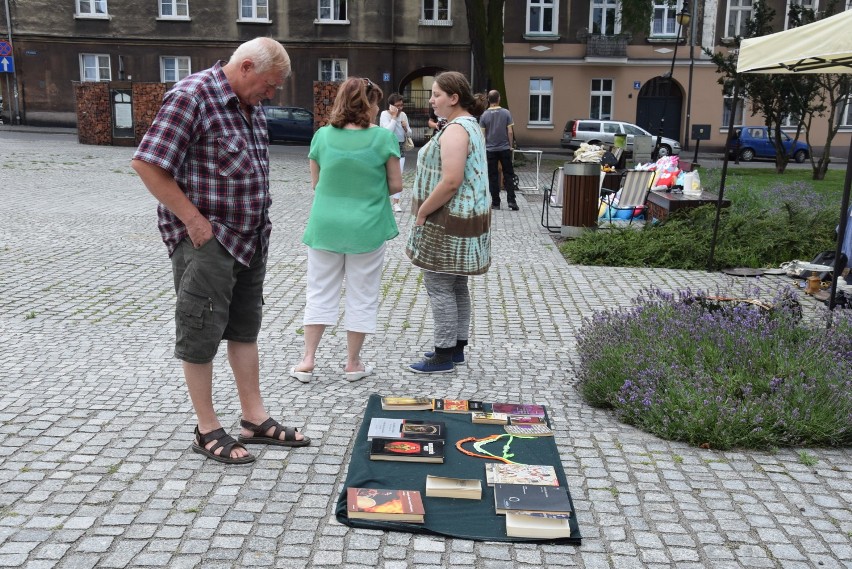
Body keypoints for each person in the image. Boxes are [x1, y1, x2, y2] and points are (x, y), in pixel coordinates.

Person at [131, 37, 310, 465]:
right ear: (246, 67)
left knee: (244, 330)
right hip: (208, 243)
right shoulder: (191, 96)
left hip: (251, 239)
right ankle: (206, 427)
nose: (271, 95)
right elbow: (148, 164)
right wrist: (193, 221)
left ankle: (255, 418)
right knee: (200, 334)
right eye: (268, 86)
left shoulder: (249, 104)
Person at [289, 77, 401, 384]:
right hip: (366, 226)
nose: (378, 107)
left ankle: (307, 360)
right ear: (367, 104)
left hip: (326, 225)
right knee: (362, 294)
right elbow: (396, 184)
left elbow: (316, 183)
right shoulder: (382, 138)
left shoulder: (323, 136)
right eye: (375, 102)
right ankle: (353, 363)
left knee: (320, 290)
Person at [405, 71, 490, 374]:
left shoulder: (456, 130)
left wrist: (423, 211)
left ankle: (443, 355)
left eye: (437, 94)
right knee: (456, 285)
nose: (431, 99)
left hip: (449, 219)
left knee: (439, 285)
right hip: (463, 218)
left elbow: (451, 181)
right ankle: (455, 349)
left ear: (454, 98)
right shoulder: (470, 126)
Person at [479, 90, 519, 211]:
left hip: (490, 150)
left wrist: (484, 148)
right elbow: (510, 132)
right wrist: (510, 145)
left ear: (488, 100)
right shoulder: (506, 113)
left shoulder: (484, 115)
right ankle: (511, 201)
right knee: (508, 174)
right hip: (504, 148)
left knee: (493, 176)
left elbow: (482, 135)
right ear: (499, 99)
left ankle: (496, 202)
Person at [380, 93, 411, 213]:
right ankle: (384, 201)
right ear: (391, 105)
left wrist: (405, 128)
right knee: (386, 174)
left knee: (399, 174)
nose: (400, 108)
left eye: (401, 105)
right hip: (387, 145)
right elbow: (387, 132)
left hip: (399, 146)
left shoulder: (403, 115)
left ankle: (396, 203)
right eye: (397, 106)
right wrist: (393, 117)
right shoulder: (384, 114)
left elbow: (409, 134)